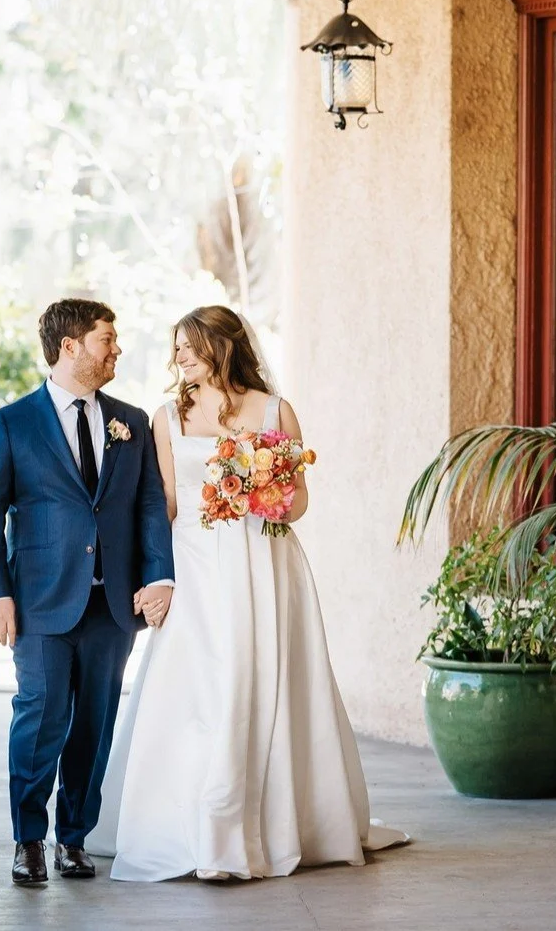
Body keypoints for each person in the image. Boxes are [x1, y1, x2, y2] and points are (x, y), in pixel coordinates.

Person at [90, 304, 407, 880]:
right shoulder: (167, 416)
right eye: (177, 349)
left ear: (221, 346)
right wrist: (148, 573)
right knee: (198, 689)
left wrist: (259, 492)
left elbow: (299, 502)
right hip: (194, 566)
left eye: (188, 346)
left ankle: (274, 823)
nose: (178, 358)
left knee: (267, 680)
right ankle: (191, 828)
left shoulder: (274, 410)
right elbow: (162, 505)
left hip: (263, 560)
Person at [0, 298, 175, 886]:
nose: (116, 349)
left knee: (95, 722)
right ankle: (28, 839)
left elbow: (148, 508)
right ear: (70, 347)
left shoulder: (130, 422)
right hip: (38, 603)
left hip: (114, 606)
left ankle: (74, 838)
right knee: (40, 717)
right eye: (106, 339)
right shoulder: (11, 423)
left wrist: (158, 575)